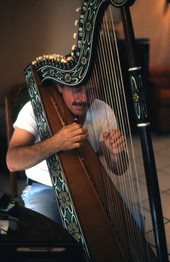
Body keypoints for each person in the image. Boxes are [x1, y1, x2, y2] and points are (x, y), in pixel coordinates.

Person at [6, 81, 127, 224]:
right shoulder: (34, 108)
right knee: (46, 236)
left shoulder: (103, 110)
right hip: (44, 188)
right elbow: (12, 162)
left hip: (88, 185)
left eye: (92, 91)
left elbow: (119, 169)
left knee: (135, 223)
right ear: (60, 86)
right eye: (77, 89)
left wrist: (115, 153)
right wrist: (57, 143)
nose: (84, 99)